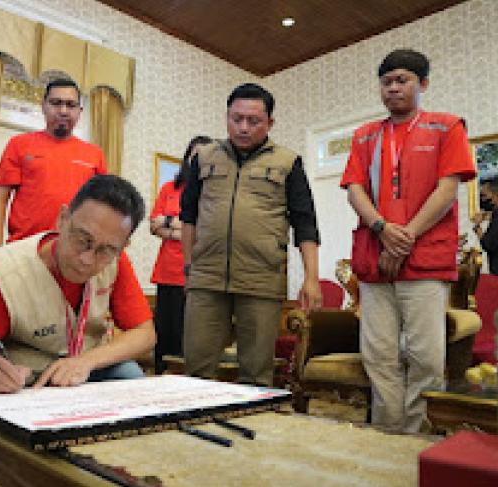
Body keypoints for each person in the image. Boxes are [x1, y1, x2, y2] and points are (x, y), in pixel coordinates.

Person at [340, 49, 476, 433]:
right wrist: (382, 228)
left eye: (403, 80)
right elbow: (354, 189)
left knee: (425, 356)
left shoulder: (447, 127)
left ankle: (416, 435)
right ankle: (387, 432)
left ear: (423, 83)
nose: (393, 88)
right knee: (378, 354)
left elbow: (447, 190)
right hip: (374, 254)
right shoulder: (365, 135)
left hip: (424, 258)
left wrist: (405, 237)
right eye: (386, 82)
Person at [0, 174, 156, 393]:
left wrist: (86, 361)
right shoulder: (1, 276)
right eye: (82, 240)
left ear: (122, 247)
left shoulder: (116, 262)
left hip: (85, 369)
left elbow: (145, 334)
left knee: (129, 373)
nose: (87, 259)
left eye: (106, 250)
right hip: (24, 379)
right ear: (62, 219)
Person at [180, 83, 322, 387]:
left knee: (256, 375)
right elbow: (188, 215)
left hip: (261, 280)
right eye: (236, 119)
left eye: (253, 121)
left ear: (270, 122)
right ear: (227, 118)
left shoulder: (288, 162)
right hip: (206, 279)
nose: (243, 127)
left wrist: (311, 278)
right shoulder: (204, 157)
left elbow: (305, 222)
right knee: (196, 370)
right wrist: (190, 265)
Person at [0, 77, 107, 251]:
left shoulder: (95, 155)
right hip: (24, 249)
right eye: (56, 103)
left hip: (72, 253)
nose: (63, 111)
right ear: (43, 106)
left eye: (71, 105)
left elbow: (101, 209)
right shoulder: (19, 144)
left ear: (79, 111)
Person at [150, 135, 212, 374]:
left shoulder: (212, 192)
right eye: (195, 155)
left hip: (198, 272)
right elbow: (154, 225)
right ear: (187, 158)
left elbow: (206, 232)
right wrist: (184, 228)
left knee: (188, 335)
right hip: (167, 271)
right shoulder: (169, 188)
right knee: (164, 332)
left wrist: (170, 225)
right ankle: (159, 378)